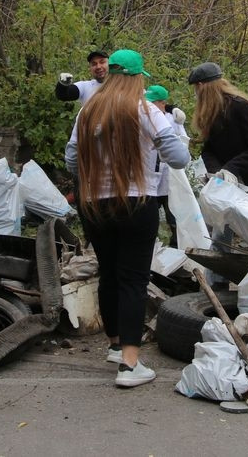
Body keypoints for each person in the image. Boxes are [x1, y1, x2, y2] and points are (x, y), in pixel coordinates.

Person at [65, 50, 189, 387]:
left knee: (109, 274)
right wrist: (170, 132)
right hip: (137, 202)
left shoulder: (87, 113)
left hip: (94, 206)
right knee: (133, 280)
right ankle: (130, 366)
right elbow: (179, 159)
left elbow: (71, 160)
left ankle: (115, 345)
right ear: (137, 77)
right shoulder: (147, 111)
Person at [187, 62, 248, 196]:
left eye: (195, 88)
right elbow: (209, 149)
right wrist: (216, 172)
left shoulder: (240, 107)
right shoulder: (210, 112)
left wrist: (232, 168)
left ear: (201, 85)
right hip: (227, 188)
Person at [144, 84, 190, 247]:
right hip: (149, 177)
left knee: (174, 215)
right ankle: (151, 248)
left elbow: (183, 143)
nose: (148, 104)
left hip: (170, 177)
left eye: (153, 102)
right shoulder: (144, 116)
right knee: (148, 218)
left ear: (162, 103)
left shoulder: (173, 119)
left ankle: (177, 247)